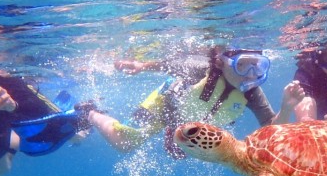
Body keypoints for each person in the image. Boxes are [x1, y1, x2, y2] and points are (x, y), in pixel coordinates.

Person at [85, 46, 305, 158]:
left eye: (257, 67)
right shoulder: (203, 69)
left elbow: (270, 128)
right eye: (243, 66)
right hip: (166, 107)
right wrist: (141, 66)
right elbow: (169, 64)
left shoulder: (251, 92)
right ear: (222, 62)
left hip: (194, 123)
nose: (250, 74)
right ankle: (90, 112)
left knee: (181, 154)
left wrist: (286, 108)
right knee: (125, 143)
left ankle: (175, 131)